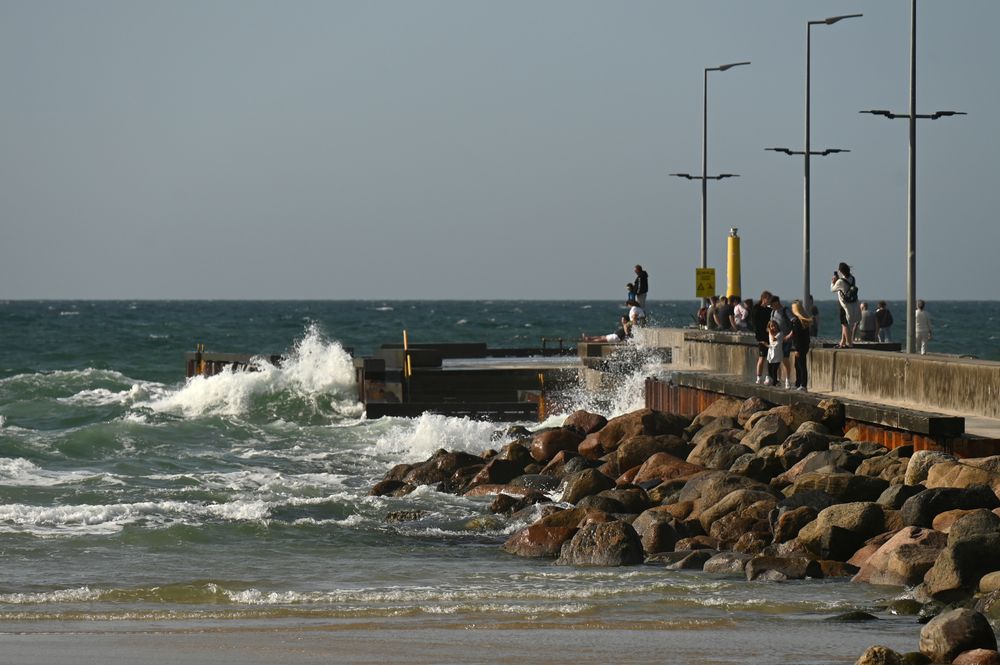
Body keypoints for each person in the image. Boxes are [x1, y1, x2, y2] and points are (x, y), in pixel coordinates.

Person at [831, 262, 861, 348]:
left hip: (843, 304)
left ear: (840, 271)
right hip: (852, 303)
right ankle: (842, 342)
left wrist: (833, 282)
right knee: (844, 323)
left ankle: (849, 343)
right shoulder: (852, 278)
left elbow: (832, 290)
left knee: (844, 323)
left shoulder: (840, 281)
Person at [769, 295, 793, 389]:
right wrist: (772, 337)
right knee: (776, 360)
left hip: (786, 339)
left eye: (772, 305)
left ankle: (787, 380)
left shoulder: (785, 311)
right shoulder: (773, 312)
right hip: (776, 341)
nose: (771, 306)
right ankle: (777, 379)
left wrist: (790, 335)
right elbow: (770, 326)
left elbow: (794, 323)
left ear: (776, 303)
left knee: (785, 359)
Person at [789, 300, 813, 391]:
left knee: (801, 365)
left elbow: (797, 336)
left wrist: (796, 348)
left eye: (792, 308)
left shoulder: (798, 321)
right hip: (804, 345)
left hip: (800, 346)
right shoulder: (802, 319)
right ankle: (798, 383)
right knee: (798, 365)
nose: (791, 309)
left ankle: (803, 385)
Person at [752, 290, 773, 384]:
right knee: (762, 357)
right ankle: (759, 377)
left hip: (769, 336)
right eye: (768, 299)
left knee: (770, 358)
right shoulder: (756, 309)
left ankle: (768, 376)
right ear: (764, 299)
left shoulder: (769, 310)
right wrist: (759, 339)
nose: (769, 301)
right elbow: (755, 324)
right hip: (761, 337)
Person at [765, 320, 783, 386]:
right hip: (771, 353)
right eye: (771, 326)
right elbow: (771, 344)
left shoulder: (780, 333)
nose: (773, 327)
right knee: (769, 368)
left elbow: (773, 339)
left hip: (777, 354)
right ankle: (772, 381)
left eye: (774, 326)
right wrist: (766, 345)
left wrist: (770, 332)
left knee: (774, 369)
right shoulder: (771, 333)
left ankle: (774, 383)